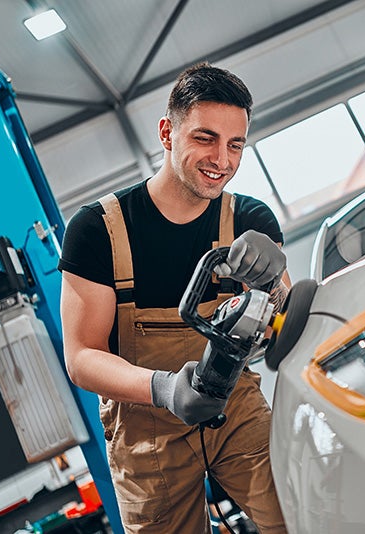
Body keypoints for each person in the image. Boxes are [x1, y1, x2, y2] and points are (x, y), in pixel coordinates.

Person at [59, 62, 289, 533]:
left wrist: (275, 282)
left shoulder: (249, 219)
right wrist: (165, 389)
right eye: (205, 138)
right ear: (167, 132)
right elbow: (81, 356)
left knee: (304, 511)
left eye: (235, 144)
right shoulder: (98, 230)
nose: (222, 159)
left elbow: (283, 325)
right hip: (145, 429)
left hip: (235, 407)